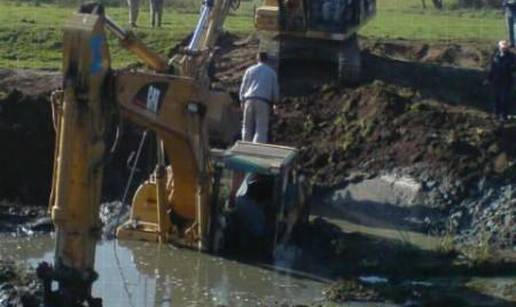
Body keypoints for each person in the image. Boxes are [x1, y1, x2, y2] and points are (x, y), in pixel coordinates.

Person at [239, 52, 279, 143]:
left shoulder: (250, 70)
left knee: (247, 126)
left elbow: (243, 85)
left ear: (257, 59)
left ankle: (245, 147)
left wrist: (241, 100)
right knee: (261, 128)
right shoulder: (271, 72)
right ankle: (256, 149)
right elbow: (275, 89)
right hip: (263, 101)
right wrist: (275, 103)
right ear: (267, 60)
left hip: (249, 99)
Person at [486, 40, 516, 121]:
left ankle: (504, 116)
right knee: (496, 99)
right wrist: (488, 79)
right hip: (496, 81)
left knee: (504, 99)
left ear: (507, 47)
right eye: (502, 47)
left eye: (505, 47)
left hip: (506, 82)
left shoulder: (512, 57)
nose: (503, 49)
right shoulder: (495, 56)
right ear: (499, 47)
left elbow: (514, 68)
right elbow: (492, 69)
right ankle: (496, 114)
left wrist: (511, 68)